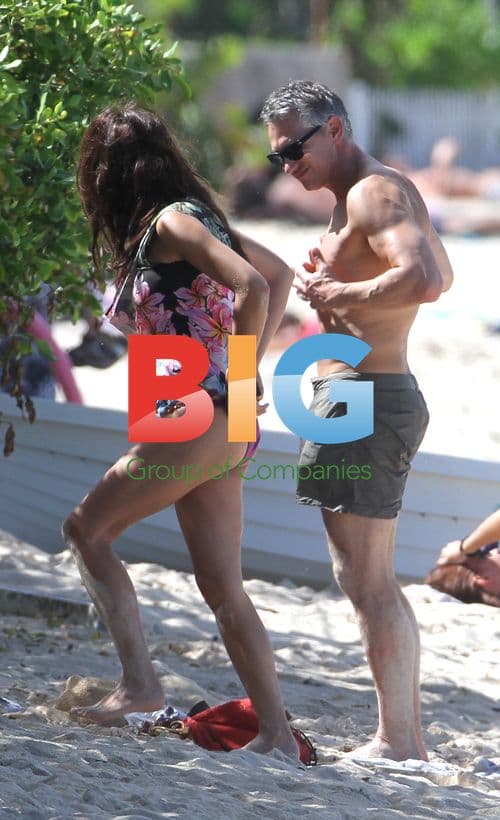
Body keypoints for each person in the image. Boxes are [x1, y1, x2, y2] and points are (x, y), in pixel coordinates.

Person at [61, 104, 299, 759]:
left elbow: (254, 285)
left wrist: (242, 377)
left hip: (201, 413)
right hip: (221, 420)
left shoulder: (170, 220)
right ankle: (276, 734)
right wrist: (242, 384)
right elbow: (276, 277)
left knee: (87, 529)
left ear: (106, 175)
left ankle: (139, 686)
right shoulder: (195, 217)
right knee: (222, 586)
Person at [260, 80, 454, 762]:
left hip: (367, 397)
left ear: (336, 129)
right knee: (365, 578)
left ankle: (398, 741)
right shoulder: (363, 198)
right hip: (361, 395)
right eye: (277, 157)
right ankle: (404, 737)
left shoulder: (374, 191)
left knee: (366, 580)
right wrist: (341, 286)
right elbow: (444, 273)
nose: (287, 166)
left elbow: (427, 278)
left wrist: (343, 289)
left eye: (294, 149)